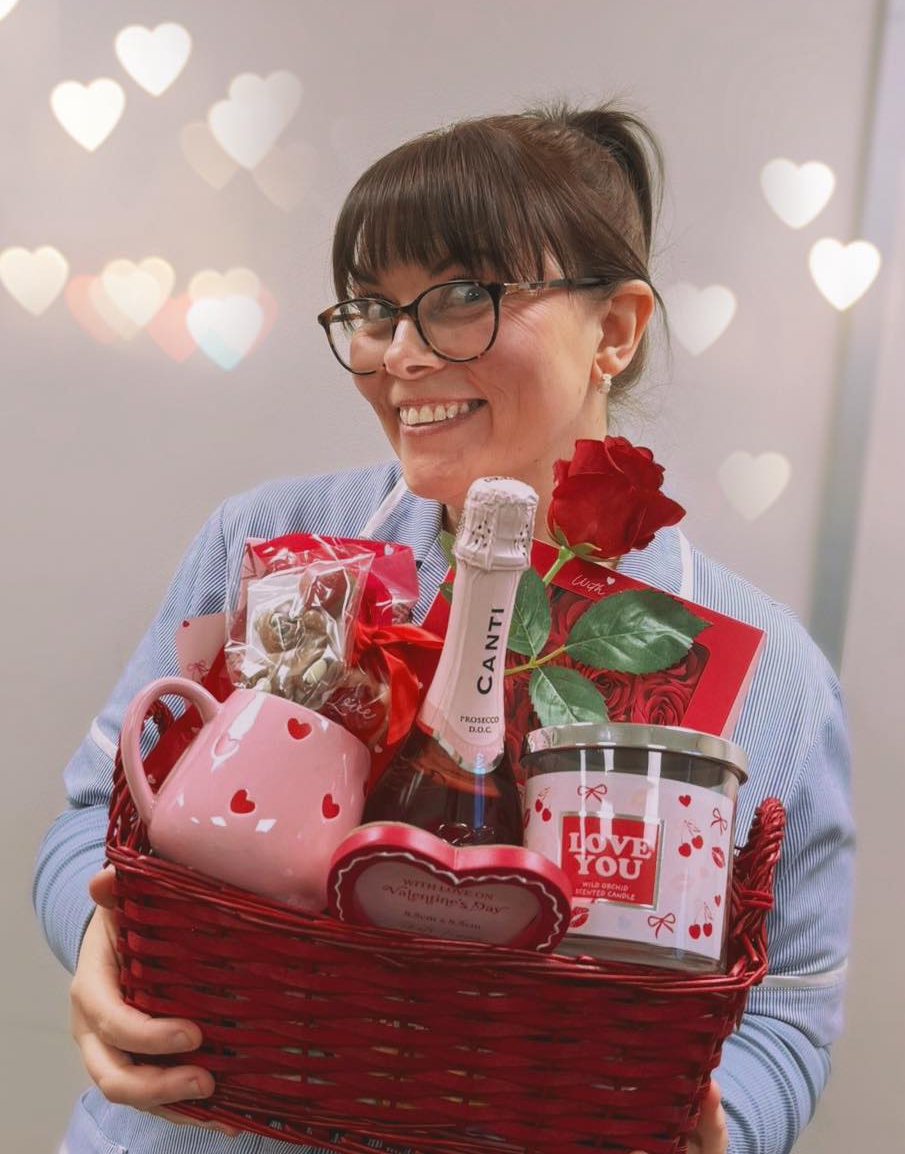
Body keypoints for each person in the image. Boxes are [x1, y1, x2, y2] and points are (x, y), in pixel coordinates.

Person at [34, 99, 854, 1154]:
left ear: (613, 329)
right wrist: (107, 944)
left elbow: (786, 1010)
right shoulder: (270, 543)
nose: (402, 356)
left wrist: (716, 1129)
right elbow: (90, 823)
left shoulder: (759, 672)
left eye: (460, 297)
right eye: (373, 310)